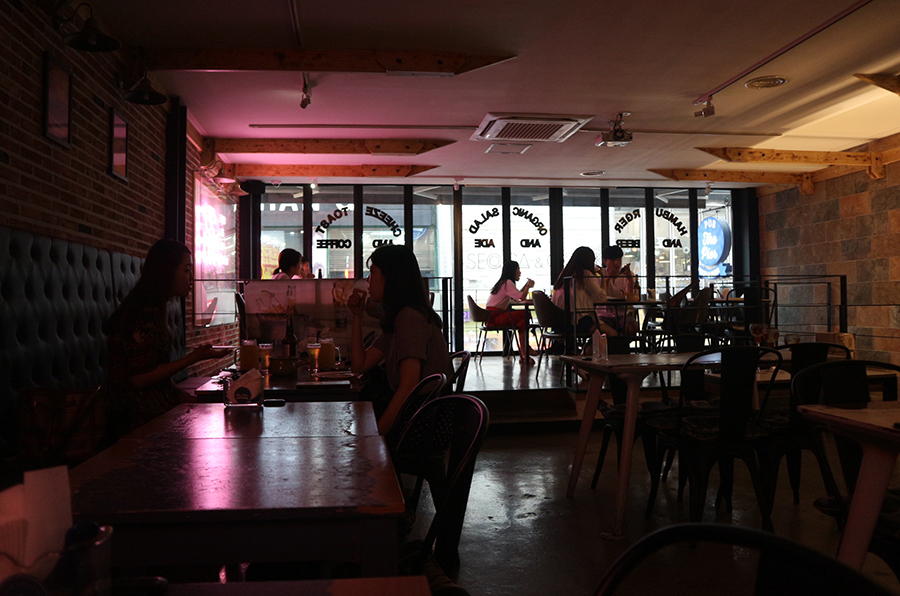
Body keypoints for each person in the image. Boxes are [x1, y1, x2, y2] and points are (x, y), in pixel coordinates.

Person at [104, 240, 231, 441]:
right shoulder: (144, 314)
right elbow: (138, 379)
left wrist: (186, 397)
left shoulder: (154, 307)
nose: (191, 277)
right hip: (135, 420)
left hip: (151, 411)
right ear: (167, 271)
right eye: (186, 270)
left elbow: (156, 375)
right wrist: (194, 358)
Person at [348, 244, 452, 435]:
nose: (368, 280)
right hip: (416, 416)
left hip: (421, 425)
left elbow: (408, 386)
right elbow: (360, 365)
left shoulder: (409, 318)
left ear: (390, 277)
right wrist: (356, 316)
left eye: (372, 272)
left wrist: (376, 435)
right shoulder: (399, 317)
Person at [552, 246, 616, 335]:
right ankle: (593, 345)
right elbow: (601, 298)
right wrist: (604, 277)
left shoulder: (565, 273)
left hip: (557, 323)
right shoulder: (585, 274)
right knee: (612, 333)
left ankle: (590, 344)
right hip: (576, 322)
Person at [487, 261, 536, 366]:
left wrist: (526, 286)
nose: (520, 272)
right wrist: (528, 286)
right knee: (525, 314)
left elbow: (517, 296)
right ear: (513, 271)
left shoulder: (503, 283)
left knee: (523, 321)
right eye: (518, 270)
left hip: (491, 316)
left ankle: (524, 353)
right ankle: (525, 350)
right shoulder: (507, 283)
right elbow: (521, 298)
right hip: (496, 317)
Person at [597, 245, 639, 335]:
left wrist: (630, 280)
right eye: (612, 260)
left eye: (619, 259)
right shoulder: (600, 275)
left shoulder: (628, 274)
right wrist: (606, 279)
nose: (616, 263)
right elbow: (599, 296)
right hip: (604, 314)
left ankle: (623, 344)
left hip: (623, 314)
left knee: (632, 327)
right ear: (605, 261)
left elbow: (631, 297)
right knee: (603, 328)